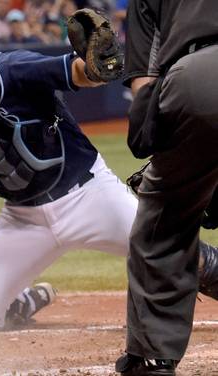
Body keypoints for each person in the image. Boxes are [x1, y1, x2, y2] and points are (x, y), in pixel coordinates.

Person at [0, 26, 218, 335]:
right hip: (24, 218)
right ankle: (19, 303)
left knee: (180, 255)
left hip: (89, 196)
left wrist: (93, 68)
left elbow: (75, 72)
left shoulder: (8, 70)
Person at [115, 1, 218, 375]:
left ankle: (152, 357)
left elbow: (145, 80)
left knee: (165, 221)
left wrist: (166, 154)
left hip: (200, 75)